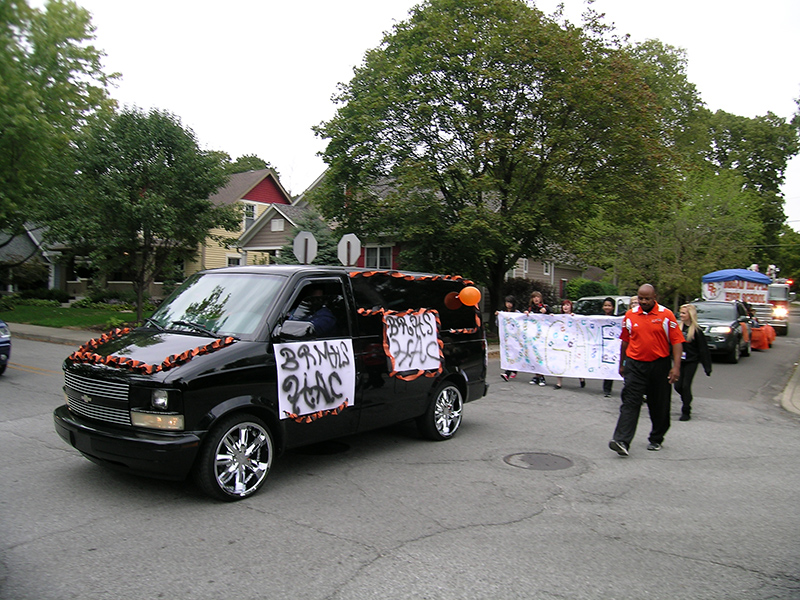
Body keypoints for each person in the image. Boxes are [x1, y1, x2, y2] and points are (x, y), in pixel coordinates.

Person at [609, 283, 684, 456]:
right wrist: (622, 363)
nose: (643, 301)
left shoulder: (666, 315)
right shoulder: (630, 315)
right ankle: (621, 441)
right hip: (635, 365)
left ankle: (656, 438)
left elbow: (677, 342)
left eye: (647, 298)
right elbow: (625, 341)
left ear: (654, 297)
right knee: (630, 402)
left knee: (659, 404)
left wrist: (676, 367)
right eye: (640, 298)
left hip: (660, 365)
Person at [674, 303, 712, 421]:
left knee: (686, 385)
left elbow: (703, 349)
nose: (681, 315)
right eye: (680, 313)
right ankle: (686, 398)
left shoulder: (696, 331)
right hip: (680, 361)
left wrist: (707, 367)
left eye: (684, 313)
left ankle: (686, 410)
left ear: (690, 315)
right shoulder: (677, 328)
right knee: (678, 385)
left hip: (691, 361)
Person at [555, 299, 585, 390]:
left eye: (568, 305)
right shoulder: (559, 317)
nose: (565, 307)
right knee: (560, 362)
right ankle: (559, 383)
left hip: (572, 342)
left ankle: (581, 378)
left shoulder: (574, 317)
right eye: (564, 305)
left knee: (575, 361)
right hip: (561, 342)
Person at [526, 291, 550, 386]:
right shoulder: (530, 309)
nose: (536, 299)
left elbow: (552, 315)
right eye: (534, 297)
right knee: (534, 356)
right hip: (533, 336)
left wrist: (547, 312)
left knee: (541, 356)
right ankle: (536, 375)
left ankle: (542, 376)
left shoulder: (545, 307)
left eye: (538, 297)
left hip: (542, 335)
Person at [496, 295, 519, 382]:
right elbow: (498, 324)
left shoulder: (516, 313)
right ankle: (513, 370)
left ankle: (507, 373)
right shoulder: (503, 313)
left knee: (513, 353)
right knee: (509, 354)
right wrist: (498, 316)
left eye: (510, 303)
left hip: (515, 337)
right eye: (507, 302)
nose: (509, 304)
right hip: (506, 337)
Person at [601, 297, 616, 398]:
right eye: (605, 305)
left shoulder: (617, 318)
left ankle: (608, 389)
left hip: (612, 346)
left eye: (609, 305)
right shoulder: (599, 318)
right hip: (601, 345)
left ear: (613, 307)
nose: (607, 307)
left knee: (610, 366)